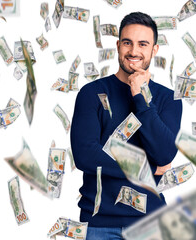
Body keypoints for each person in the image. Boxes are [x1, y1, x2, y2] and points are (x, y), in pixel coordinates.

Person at [70, 12, 182, 239]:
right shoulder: (91, 93)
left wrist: (139, 96)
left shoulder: (169, 99)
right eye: (128, 43)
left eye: (143, 44)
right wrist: (147, 169)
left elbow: (164, 155)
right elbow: (85, 155)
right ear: (118, 45)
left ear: (154, 50)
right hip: (98, 224)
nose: (134, 51)